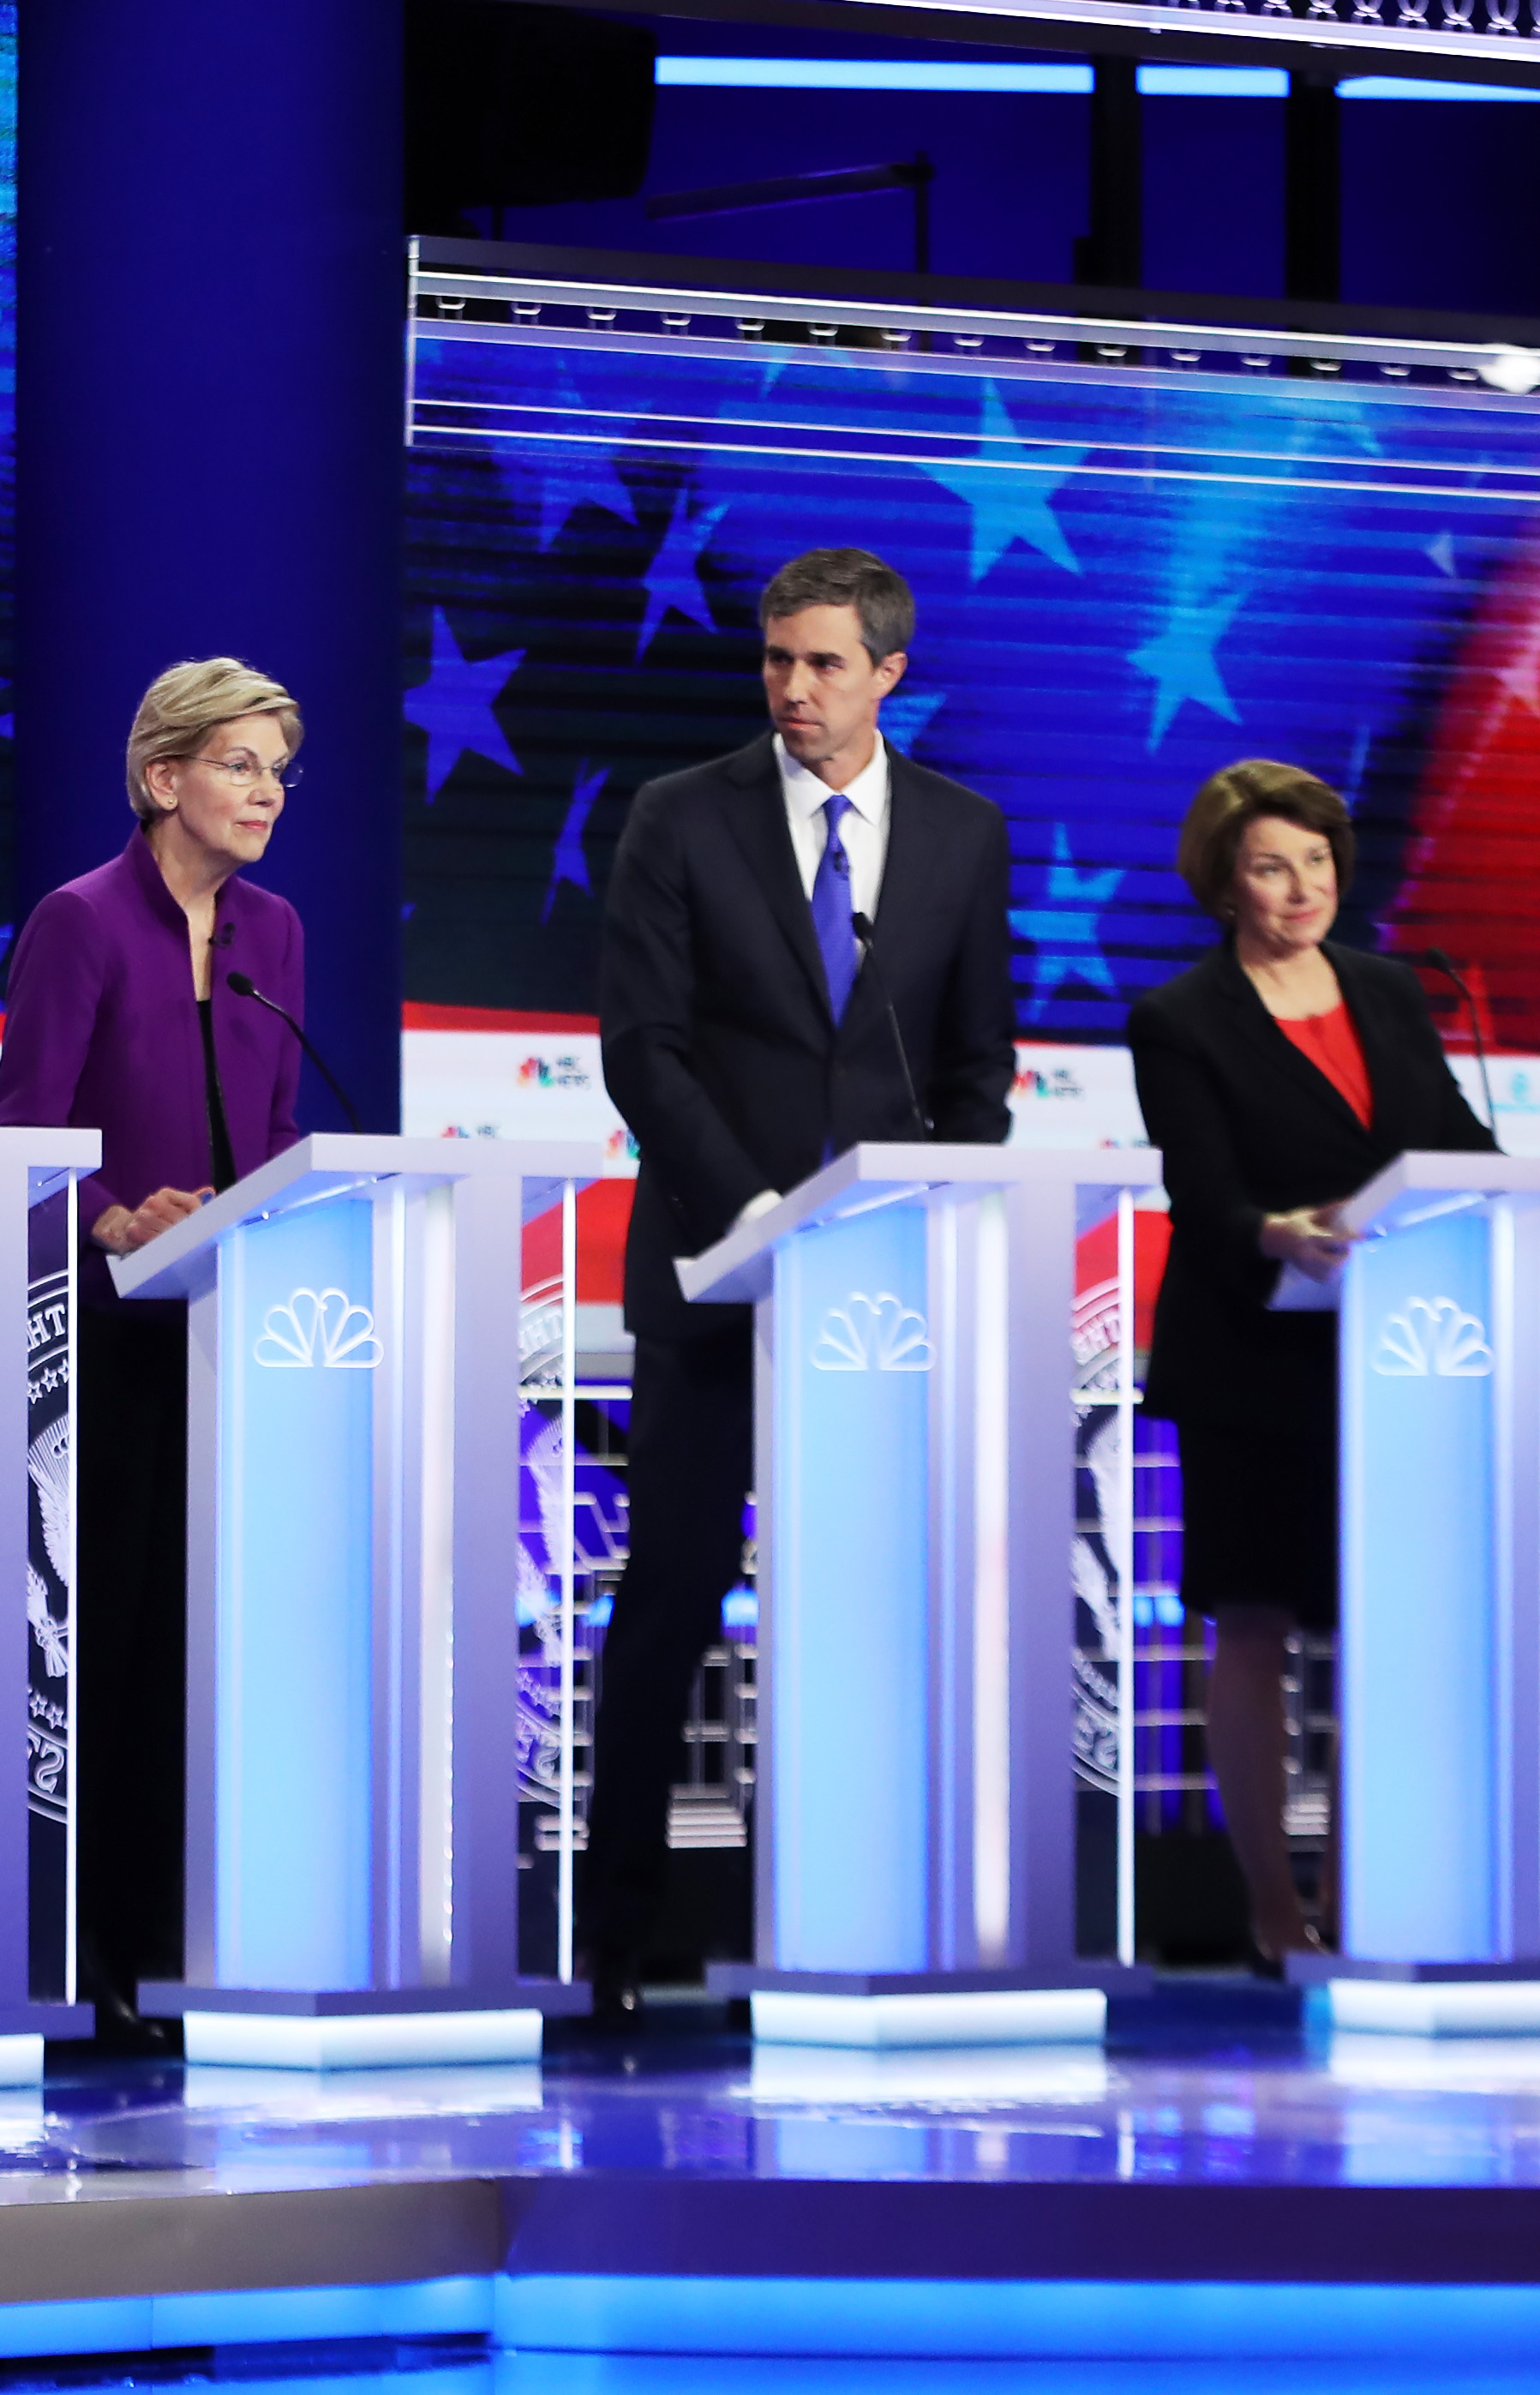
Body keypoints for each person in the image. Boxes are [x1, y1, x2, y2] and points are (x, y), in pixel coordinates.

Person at [585, 545, 1015, 2014]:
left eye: (821, 663)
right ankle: (619, 1947)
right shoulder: (676, 818)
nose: (789, 687)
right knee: (673, 1595)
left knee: (866, 1608)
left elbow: (974, 1069)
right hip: (715, 1276)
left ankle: (854, 1922)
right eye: (774, 659)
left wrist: (911, 1220)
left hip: (878, 1310)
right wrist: (762, 1215)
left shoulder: (961, 835)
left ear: (887, 673)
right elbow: (643, 1044)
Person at [0, 659, 311, 2050]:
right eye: (241, 764)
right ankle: (93, 1947)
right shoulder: (79, 923)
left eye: (277, 773)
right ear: (164, 774)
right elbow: (19, 1140)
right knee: (107, 1646)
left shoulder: (276, 933)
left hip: (231, 1334)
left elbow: (284, 1118)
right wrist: (114, 1217)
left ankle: (185, 1938)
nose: (265, 795)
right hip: (103, 1340)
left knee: (204, 1647)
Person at [1124, 759, 1495, 1967]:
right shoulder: (1179, 1017)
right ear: (1226, 883)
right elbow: (1203, 1192)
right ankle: (1271, 1903)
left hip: (1389, 1357)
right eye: (1271, 867)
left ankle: (1363, 1889)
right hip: (1248, 1356)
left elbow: (1455, 1145)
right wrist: (1273, 1231)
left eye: (1317, 864)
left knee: (1379, 1629)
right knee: (1255, 1624)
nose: (1300, 889)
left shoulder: (1390, 994)